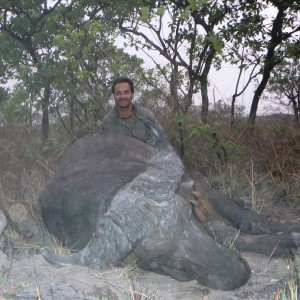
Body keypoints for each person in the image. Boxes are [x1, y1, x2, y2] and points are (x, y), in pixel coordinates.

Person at [100, 77, 166, 147]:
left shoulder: (147, 116)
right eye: (118, 93)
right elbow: (104, 148)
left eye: (126, 92)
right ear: (114, 96)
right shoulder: (107, 122)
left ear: (132, 95)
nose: (122, 96)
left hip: (148, 157)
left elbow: (161, 139)